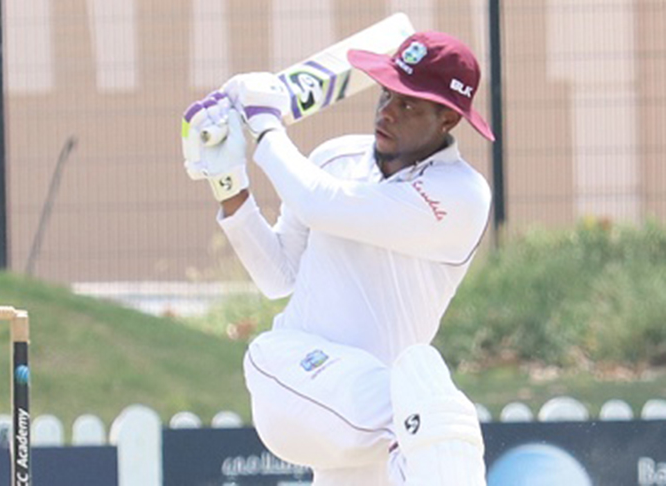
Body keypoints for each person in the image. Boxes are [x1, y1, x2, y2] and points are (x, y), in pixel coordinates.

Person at [181, 30, 493, 486]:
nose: (387, 111)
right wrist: (230, 185)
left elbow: (321, 203)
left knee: (418, 384)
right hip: (295, 381)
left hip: (375, 427)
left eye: (408, 104)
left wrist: (266, 124)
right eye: (387, 93)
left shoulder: (460, 196)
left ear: (448, 118)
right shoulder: (335, 158)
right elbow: (279, 275)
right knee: (429, 402)